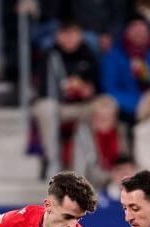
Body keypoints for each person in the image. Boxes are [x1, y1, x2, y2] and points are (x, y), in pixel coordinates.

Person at [32, 18, 102, 175]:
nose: (69, 38)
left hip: (84, 106)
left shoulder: (89, 54)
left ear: (80, 35)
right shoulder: (49, 55)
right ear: (57, 35)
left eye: (73, 33)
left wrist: (86, 90)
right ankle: (53, 160)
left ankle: (97, 165)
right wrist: (65, 88)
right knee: (45, 107)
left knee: (104, 106)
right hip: (60, 106)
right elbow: (44, 90)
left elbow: (98, 87)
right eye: (65, 33)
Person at [101, 18, 150, 122]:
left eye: (143, 30)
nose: (139, 33)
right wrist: (141, 104)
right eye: (135, 30)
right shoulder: (113, 57)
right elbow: (110, 88)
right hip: (130, 111)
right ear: (126, 32)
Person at [72, 95, 131, 192]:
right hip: (92, 182)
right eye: (99, 117)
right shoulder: (84, 134)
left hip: (119, 181)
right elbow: (80, 166)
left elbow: (126, 160)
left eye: (108, 116)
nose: (104, 120)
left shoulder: (122, 131)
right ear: (92, 117)